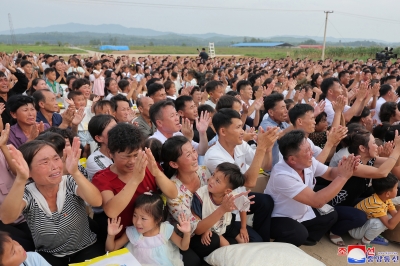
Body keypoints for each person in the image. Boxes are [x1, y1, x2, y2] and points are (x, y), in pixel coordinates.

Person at [0, 138, 104, 266]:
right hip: (49, 255)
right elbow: (6, 218)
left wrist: (75, 172)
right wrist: (21, 179)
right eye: (44, 162)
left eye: (56, 158)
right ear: (29, 171)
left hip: (87, 248)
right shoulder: (27, 193)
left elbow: (97, 201)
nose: (55, 166)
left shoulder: (70, 182)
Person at [265, 130, 358, 247]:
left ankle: (303, 239)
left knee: (331, 215)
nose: (312, 152)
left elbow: (329, 173)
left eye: (310, 148)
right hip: (279, 217)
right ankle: (279, 249)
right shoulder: (282, 175)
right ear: (292, 159)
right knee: (298, 234)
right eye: (307, 151)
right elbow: (317, 201)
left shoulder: (308, 161)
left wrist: (346, 167)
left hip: (302, 211)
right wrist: (343, 177)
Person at [91, 123, 177, 245]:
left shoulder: (148, 166)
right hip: (123, 239)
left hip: (153, 235)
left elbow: (173, 193)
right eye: (126, 157)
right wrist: (135, 180)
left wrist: (156, 172)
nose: (132, 161)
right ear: (110, 153)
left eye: (136, 155)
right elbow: (111, 211)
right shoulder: (102, 178)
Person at [204, 108, 279, 242]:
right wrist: (260, 148)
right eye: (238, 127)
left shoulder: (240, 145)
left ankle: (261, 237)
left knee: (266, 202)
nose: (242, 132)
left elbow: (265, 166)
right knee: (255, 242)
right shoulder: (214, 156)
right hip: (227, 209)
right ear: (223, 131)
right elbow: (248, 182)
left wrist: (268, 149)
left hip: (241, 199)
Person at [106, 193, 190, 266]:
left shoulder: (165, 230)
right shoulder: (132, 232)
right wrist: (111, 235)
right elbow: (111, 249)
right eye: (135, 216)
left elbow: (183, 246)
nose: (137, 222)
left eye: (143, 218)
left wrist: (187, 233)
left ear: (158, 219)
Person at [191, 162, 249, 247]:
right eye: (213, 175)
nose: (211, 180)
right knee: (226, 245)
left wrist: (243, 227)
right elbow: (195, 216)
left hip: (226, 224)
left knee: (244, 241)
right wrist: (205, 230)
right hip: (212, 228)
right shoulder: (201, 195)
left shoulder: (231, 195)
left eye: (217, 181)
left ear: (227, 191)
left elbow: (242, 208)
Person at [349, 173, 400, 245]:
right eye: (396, 188)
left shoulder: (386, 199)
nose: (397, 190)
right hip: (355, 230)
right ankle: (363, 243)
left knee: (391, 218)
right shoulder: (375, 203)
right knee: (380, 223)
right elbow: (390, 225)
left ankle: (371, 235)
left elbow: (395, 215)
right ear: (387, 194)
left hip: (365, 225)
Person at [259, 93, 292, 167]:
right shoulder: (265, 126)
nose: (286, 111)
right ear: (271, 112)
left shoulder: (284, 124)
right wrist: (297, 124)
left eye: (286, 107)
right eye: (282, 108)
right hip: (272, 171)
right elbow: (281, 135)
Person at [87, 114, 117, 180]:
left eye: (117, 127)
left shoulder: (124, 150)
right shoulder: (94, 159)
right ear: (99, 138)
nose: (118, 132)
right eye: (112, 130)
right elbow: (113, 180)